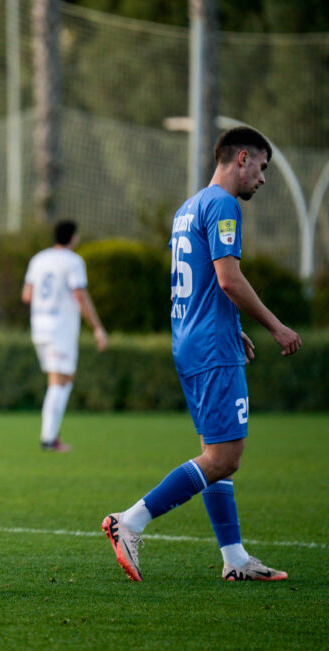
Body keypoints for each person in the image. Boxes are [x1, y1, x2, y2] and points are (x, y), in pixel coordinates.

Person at [101, 126, 301, 582]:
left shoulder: (187, 209)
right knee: (224, 457)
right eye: (263, 168)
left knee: (215, 453)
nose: (263, 180)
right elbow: (228, 278)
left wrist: (234, 329)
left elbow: (205, 283)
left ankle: (234, 560)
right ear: (243, 158)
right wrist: (275, 326)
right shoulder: (223, 204)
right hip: (210, 346)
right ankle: (130, 521)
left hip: (194, 340)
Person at [22, 220, 107, 452]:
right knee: (61, 381)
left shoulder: (38, 259)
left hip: (39, 325)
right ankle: (48, 439)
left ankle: (51, 436)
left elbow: (26, 295)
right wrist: (98, 328)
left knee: (61, 380)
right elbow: (80, 295)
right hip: (60, 327)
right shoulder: (73, 261)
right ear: (73, 237)